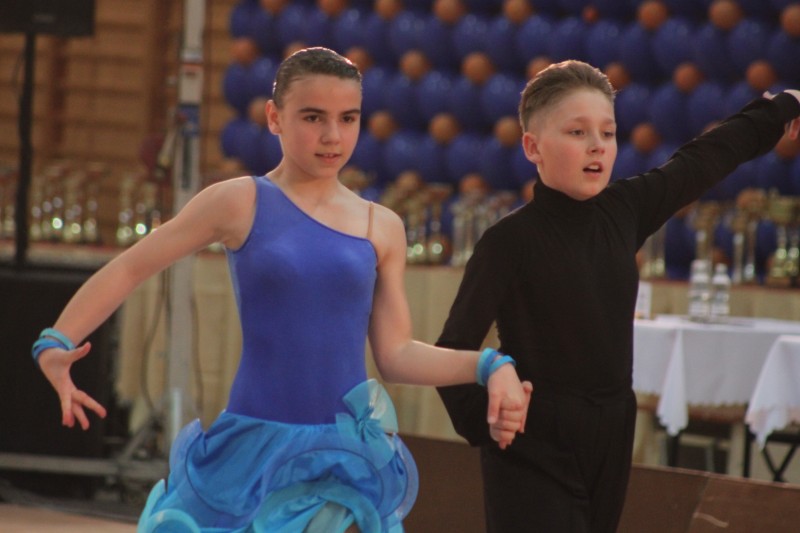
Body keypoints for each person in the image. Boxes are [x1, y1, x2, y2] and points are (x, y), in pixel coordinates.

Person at [31, 47, 532, 533]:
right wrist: (56, 340)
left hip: (343, 461)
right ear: (275, 117)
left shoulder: (381, 225)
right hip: (252, 452)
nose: (332, 136)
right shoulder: (239, 201)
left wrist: (488, 365)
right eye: (313, 117)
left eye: (348, 118)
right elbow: (130, 267)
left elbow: (396, 355)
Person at [435, 59, 800, 533]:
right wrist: (488, 425)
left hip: (611, 430)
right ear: (532, 147)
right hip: (533, 436)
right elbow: (452, 349)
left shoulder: (625, 209)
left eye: (607, 133)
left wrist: (778, 110)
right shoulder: (508, 241)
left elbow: (703, 159)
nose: (597, 146)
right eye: (577, 132)